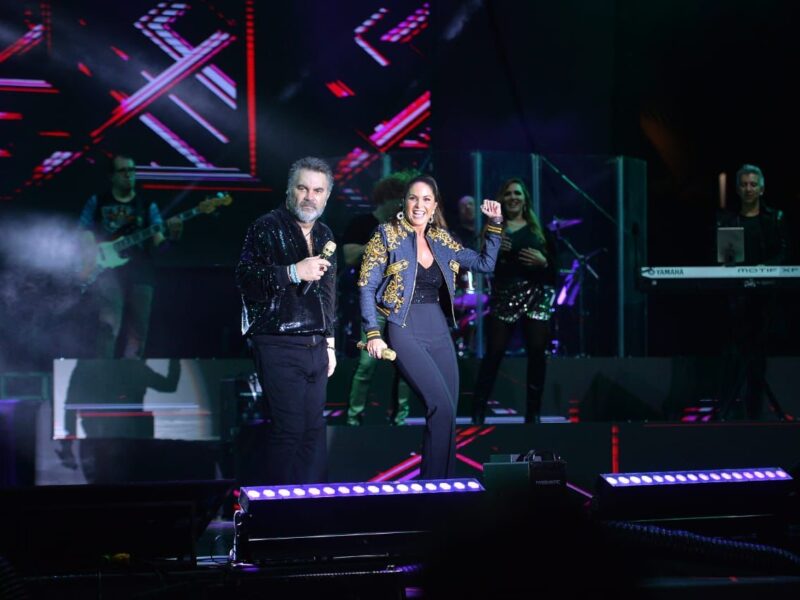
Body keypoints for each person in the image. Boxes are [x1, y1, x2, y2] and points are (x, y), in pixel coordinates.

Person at [359, 175, 502, 479]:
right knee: (440, 406)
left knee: (448, 411)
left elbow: (485, 264)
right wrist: (372, 331)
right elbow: (366, 285)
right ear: (404, 201)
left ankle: (441, 484)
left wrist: (495, 224)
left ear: (435, 205)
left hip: (437, 327)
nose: (419, 205)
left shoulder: (442, 239)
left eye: (426, 199)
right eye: (413, 197)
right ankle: (432, 487)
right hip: (403, 326)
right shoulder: (386, 234)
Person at [236, 156, 337, 484]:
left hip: (316, 345)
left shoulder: (325, 234)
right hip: (278, 342)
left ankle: (310, 503)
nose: (310, 197)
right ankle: (273, 505)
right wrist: (293, 272)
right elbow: (246, 280)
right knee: (289, 430)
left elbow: (328, 293)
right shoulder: (266, 227)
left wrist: (330, 342)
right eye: (303, 188)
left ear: (327, 196)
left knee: (313, 431)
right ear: (289, 190)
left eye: (318, 191)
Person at [471, 177, 558, 425]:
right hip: (504, 296)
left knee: (537, 353)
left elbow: (554, 268)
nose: (513, 197)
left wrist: (544, 262)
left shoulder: (539, 231)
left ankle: (533, 413)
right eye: (508, 193)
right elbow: (480, 264)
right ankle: (478, 411)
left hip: (536, 296)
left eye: (517, 193)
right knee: (494, 353)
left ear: (525, 199)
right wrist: (494, 251)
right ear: (502, 200)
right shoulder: (493, 229)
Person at [77, 153, 182, 358]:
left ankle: (131, 374)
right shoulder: (98, 201)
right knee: (108, 326)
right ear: (112, 176)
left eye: (132, 170)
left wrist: (175, 236)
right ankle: (104, 373)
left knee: (138, 331)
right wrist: (91, 257)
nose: (129, 174)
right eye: (123, 170)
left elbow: (160, 244)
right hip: (107, 272)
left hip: (140, 272)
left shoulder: (147, 205)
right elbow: (84, 230)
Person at [716, 164, 791, 420]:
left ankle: (754, 413)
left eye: (753, 184)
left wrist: (763, 269)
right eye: (744, 184)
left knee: (758, 357)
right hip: (737, 299)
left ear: (761, 189)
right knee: (734, 354)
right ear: (738, 189)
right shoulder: (729, 220)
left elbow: (783, 254)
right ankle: (728, 411)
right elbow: (726, 260)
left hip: (766, 299)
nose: (749, 189)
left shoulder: (774, 218)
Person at [341, 173, 412, 426]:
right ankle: (354, 418)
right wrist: (380, 241)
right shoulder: (361, 224)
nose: (404, 205)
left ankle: (400, 419)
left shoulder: (407, 227)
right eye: (400, 198)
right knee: (367, 363)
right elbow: (349, 257)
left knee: (404, 364)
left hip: (401, 302)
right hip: (372, 302)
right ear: (387, 198)